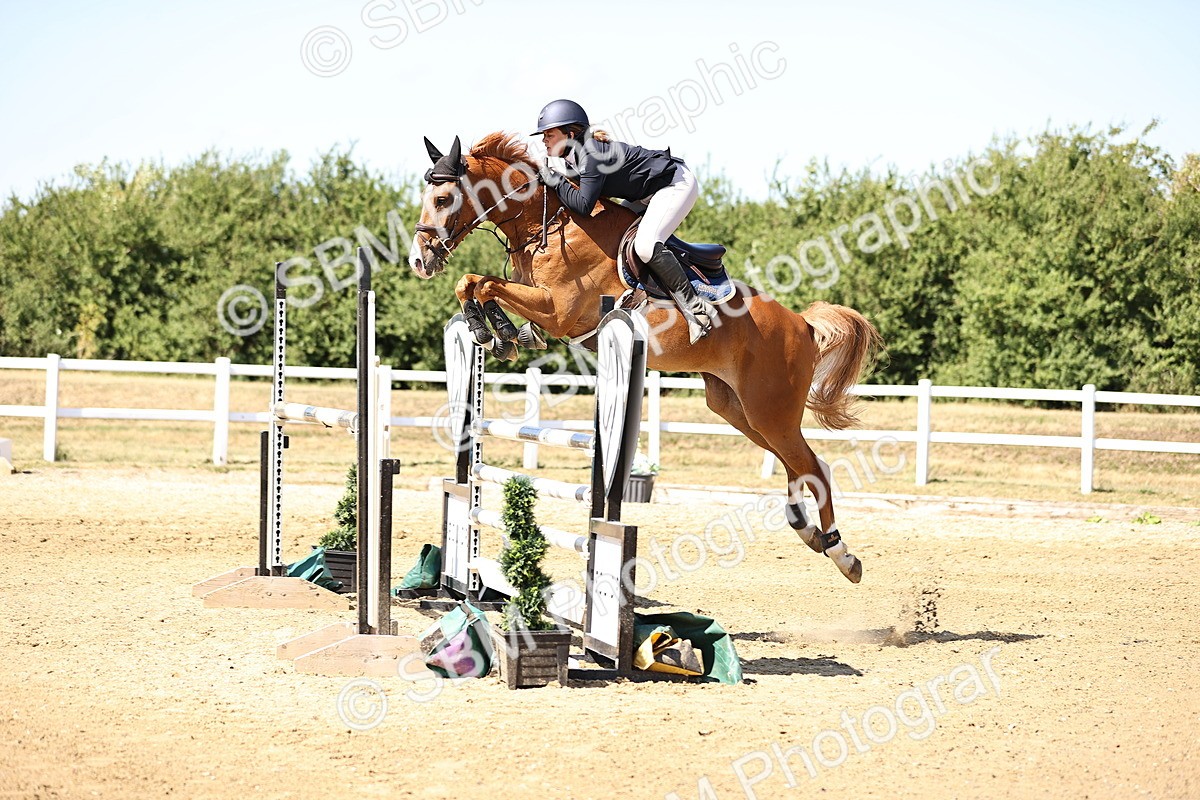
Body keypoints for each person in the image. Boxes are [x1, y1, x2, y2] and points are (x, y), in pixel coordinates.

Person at [532, 99, 714, 343]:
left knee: (645, 246)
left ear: (570, 134)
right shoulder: (574, 158)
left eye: (549, 134)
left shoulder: (591, 156)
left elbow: (584, 206)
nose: (544, 140)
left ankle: (696, 310)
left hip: (674, 184)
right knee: (612, 236)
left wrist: (555, 180)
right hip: (644, 194)